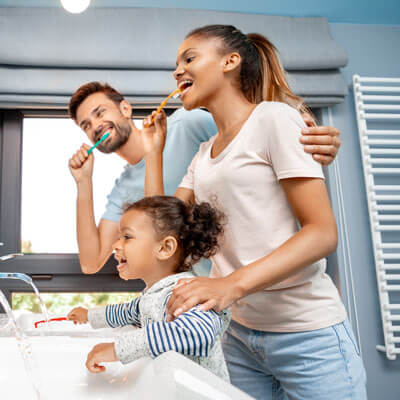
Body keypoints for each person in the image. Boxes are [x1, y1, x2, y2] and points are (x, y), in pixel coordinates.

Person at [142, 25, 367, 400]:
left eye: (189, 58)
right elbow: (163, 235)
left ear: (230, 62)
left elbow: (322, 233)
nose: (177, 71)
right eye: (176, 65)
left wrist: (230, 284)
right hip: (238, 336)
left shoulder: (274, 119)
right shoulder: (204, 154)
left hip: (306, 333)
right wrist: (153, 152)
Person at [68, 82, 342, 276]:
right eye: (86, 126)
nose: (95, 126)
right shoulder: (123, 190)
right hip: (213, 291)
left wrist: (300, 127)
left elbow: (254, 131)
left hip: (270, 271)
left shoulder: (188, 123)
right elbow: (91, 263)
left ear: (125, 109)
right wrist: (83, 183)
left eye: (100, 112)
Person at [67, 195, 231, 380]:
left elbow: (195, 333)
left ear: (164, 248)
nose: (115, 245)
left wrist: (117, 350)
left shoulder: (186, 293)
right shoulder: (155, 294)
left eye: (127, 237)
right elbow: (125, 312)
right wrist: (89, 316)